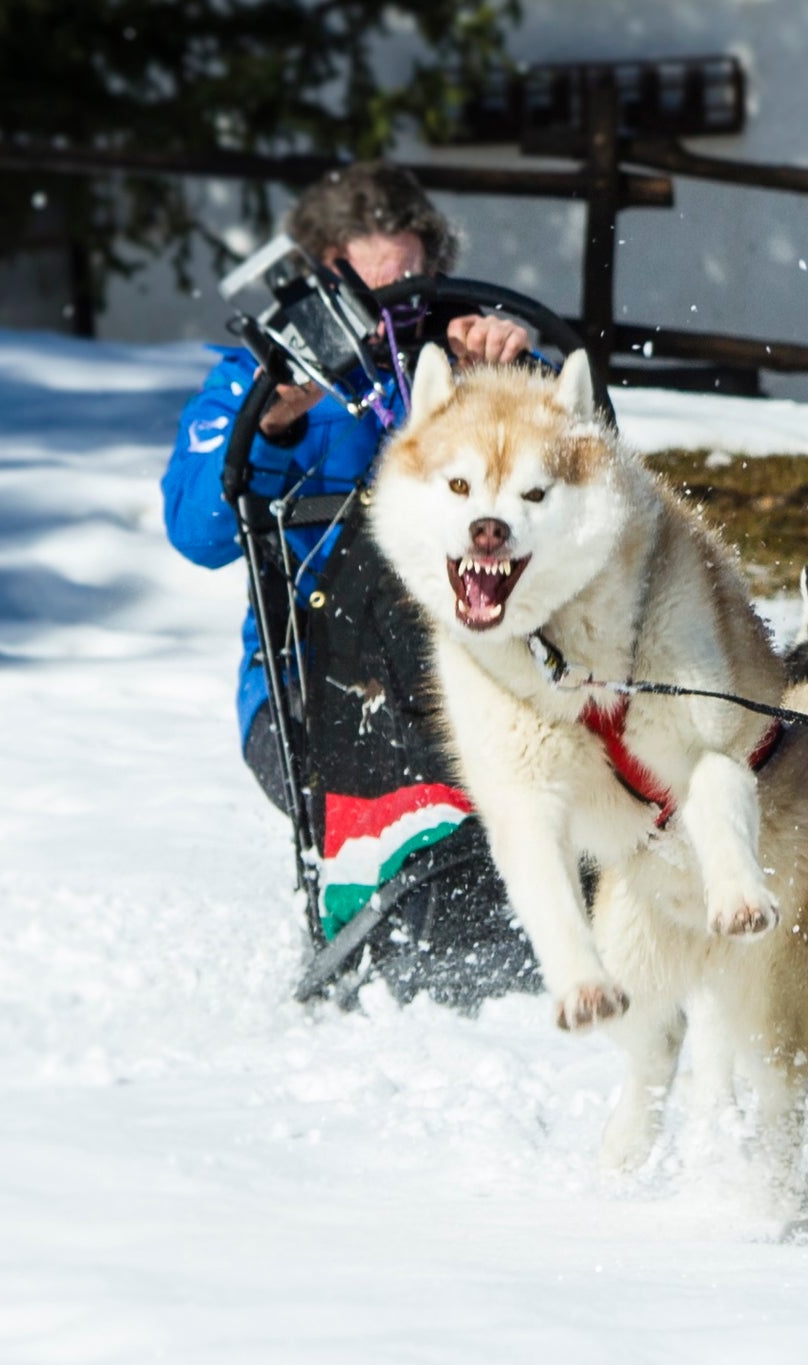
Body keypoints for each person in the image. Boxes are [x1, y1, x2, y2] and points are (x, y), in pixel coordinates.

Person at [161, 162, 537, 1005]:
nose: (390, 314)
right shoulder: (252, 379)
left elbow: (576, 488)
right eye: (369, 292)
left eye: (411, 286)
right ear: (319, 274)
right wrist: (271, 423)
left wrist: (510, 379)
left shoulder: (466, 354)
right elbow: (196, 531)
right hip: (310, 694)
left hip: (480, 667)